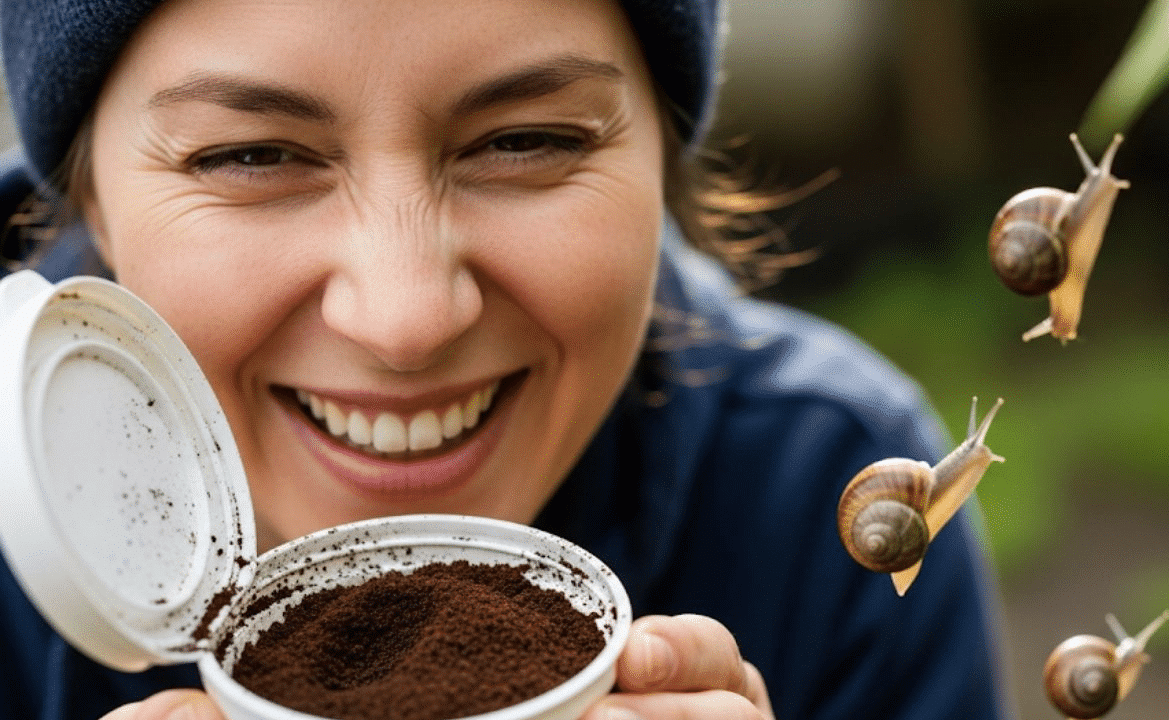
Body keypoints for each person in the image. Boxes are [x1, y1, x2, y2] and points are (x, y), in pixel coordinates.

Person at [0, 1, 1014, 719]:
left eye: (523, 140)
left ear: (662, 164)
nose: (404, 320)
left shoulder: (822, 502)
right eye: (251, 156)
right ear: (86, 196)